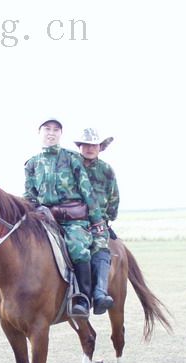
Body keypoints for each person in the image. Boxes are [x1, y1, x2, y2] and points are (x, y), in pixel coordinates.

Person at [24, 118, 104, 317]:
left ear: (61, 134)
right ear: (39, 133)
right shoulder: (32, 164)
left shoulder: (71, 158)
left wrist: (97, 220)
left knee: (77, 248)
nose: (51, 133)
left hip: (73, 220)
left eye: (56, 130)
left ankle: (83, 299)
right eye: (47, 129)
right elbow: (29, 195)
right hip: (45, 219)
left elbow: (87, 190)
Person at [74, 127, 120, 315]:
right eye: (86, 144)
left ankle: (99, 293)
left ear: (100, 147)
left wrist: (106, 219)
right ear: (80, 146)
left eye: (93, 145)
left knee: (100, 247)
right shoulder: (72, 165)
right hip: (74, 219)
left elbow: (114, 197)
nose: (90, 148)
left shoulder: (106, 170)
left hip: (97, 222)